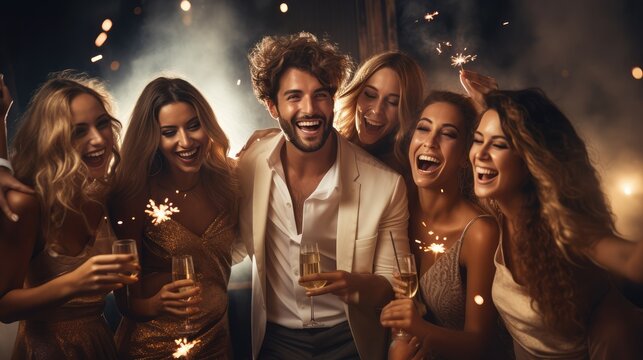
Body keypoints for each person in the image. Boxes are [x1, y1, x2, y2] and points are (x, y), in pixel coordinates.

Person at [240, 31, 411, 359]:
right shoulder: (249, 166)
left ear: (333, 99)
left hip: (351, 341)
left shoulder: (386, 185)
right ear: (271, 106)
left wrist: (355, 285)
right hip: (275, 341)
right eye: (294, 97)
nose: (310, 110)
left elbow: (394, 287)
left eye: (320, 95)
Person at [470, 88, 643, 359]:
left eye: (499, 144)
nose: (480, 153)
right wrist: (497, 101)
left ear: (531, 157)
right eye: (477, 140)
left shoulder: (560, 226)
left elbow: (632, 261)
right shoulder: (496, 208)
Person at [0, 72, 138, 358]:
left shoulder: (107, 192)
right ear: (53, 140)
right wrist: (75, 282)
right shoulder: (26, 204)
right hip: (45, 349)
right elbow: (4, 306)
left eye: (102, 124)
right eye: (79, 131)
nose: (98, 139)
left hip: (100, 343)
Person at [108, 77, 239, 358]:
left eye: (193, 125)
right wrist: (156, 303)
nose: (185, 141)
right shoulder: (134, 196)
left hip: (218, 342)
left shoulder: (228, 181)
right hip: (154, 348)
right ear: (152, 138)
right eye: (169, 132)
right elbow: (126, 302)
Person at [380, 91, 509, 359]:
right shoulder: (395, 202)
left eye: (447, 134)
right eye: (423, 128)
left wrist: (418, 327)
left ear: (465, 156)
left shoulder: (480, 233)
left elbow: (482, 343)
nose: (430, 141)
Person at [334, 51, 425, 174]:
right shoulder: (330, 140)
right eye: (370, 95)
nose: (377, 110)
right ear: (356, 94)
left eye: (393, 102)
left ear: (406, 112)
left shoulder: (401, 173)